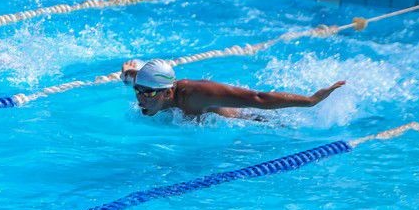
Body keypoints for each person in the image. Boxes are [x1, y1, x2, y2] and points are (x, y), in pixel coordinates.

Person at [122, 59, 345, 120]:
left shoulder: (197, 95)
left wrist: (311, 100)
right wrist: (127, 74)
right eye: (138, 91)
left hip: (247, 120)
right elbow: (134, 77)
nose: (140, 98)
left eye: (148, 93)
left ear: (168, 92)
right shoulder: (147, 85)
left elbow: (257, 98)